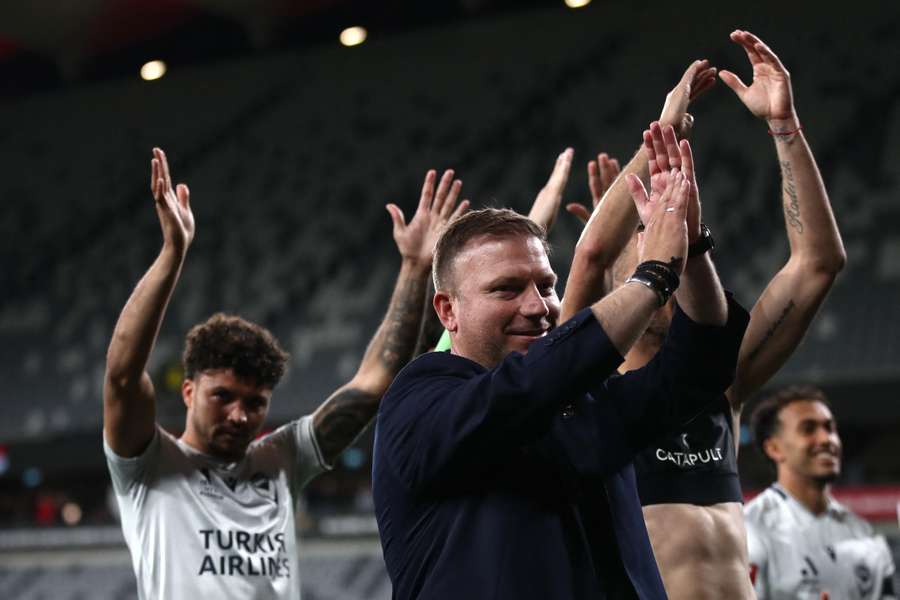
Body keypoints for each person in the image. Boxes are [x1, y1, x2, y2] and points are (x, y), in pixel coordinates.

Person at [372, 159, 750, 599]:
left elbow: (697, 367)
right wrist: (653, 276)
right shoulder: (419, 402)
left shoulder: (581, 408)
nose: (538, 306)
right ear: (447, 310)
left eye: (547, 286)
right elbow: (527, 386)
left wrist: (694, 249)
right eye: (506, 289)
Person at [102, 148, 467, 599]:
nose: (240, 415)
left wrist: (415, 267)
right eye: (223, 396)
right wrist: (173, 252)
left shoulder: (279, 460)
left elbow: (373, 385)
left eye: (255, 403)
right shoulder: (151, 467)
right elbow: (122, 375)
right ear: (190, 391)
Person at [558, 32, 846, 599]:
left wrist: (784, 128)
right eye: (648, 242)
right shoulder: (580, 386)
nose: (669, 257)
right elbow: (590, 258)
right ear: (622, 280)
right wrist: (663, 140)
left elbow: (817, 263)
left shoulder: (719, 383)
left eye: (675, 242)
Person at [745, 385, 897, 600]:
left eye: (830, 428)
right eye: (808, 429)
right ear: (774, 448)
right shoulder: (751, 528)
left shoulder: (863, 532)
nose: (827, 439)